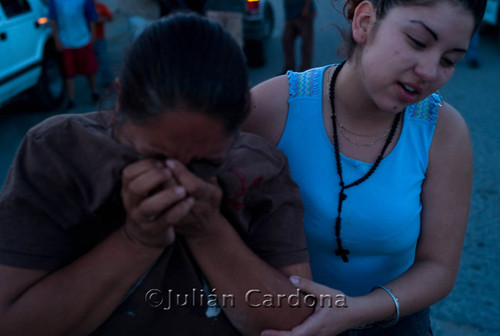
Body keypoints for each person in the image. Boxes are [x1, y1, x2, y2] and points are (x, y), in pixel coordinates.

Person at [0, 14, 313, 335]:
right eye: (153, 156)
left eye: (204, 163)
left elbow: (297, 323)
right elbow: (13, 323)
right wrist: (137, 240)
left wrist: (209, 231)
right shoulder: (59, 152)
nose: (178, 176)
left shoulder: (260, 168)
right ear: (121, 101)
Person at [244, 0, 486, 334]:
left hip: (394, 322)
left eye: (449, 60)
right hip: (280, 318)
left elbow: (439, 267)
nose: (429, 72)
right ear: (365, 21)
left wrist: (355, 311)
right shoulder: (272, 108)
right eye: (417, 41)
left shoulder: (444, 132)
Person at [48, 0, 100, 110]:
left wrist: (93, 35)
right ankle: (71, 99)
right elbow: (52, 19)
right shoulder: (54, 1)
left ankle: (94, 92)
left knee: (90, 68)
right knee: (68, 72)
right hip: (66, 41)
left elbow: (91, 16)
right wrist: (57, 40)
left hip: (83, 38)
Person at [282, 0, 316, 73]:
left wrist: (306, 8)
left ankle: (305, 71)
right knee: (287, 40)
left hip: (303, 13)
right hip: (291, 14)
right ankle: (289, 69)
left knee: (306, 43)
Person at [93, 0, 114, 88]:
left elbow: (110, 17)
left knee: (103, 59)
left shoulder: (101, 6)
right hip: (89, 39)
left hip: (100, 38)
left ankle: (107, 80)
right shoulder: (85, 7)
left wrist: (102, 19)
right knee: (94, 61)